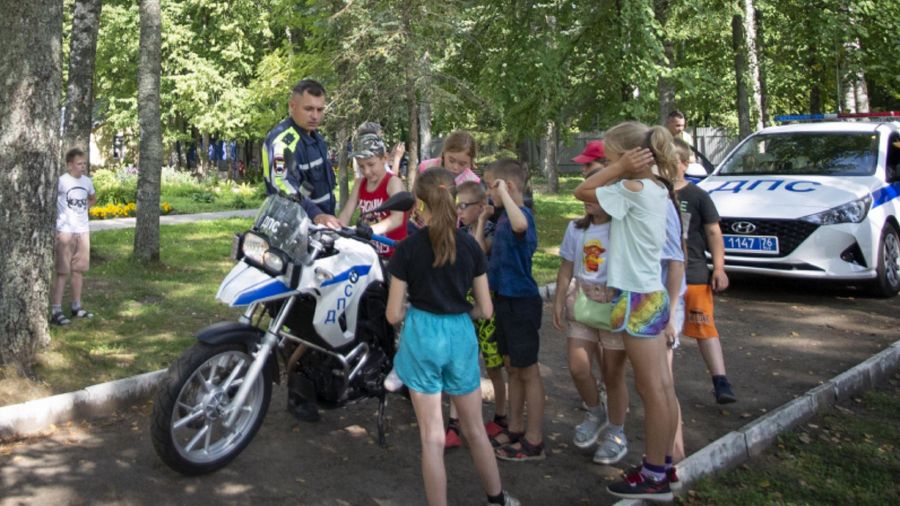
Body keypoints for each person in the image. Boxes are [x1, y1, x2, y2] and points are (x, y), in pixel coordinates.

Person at [386, 167, 520, 506]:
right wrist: (465, 313)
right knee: (475, 430)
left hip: (421, 336)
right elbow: (486, 310)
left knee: (431, 438)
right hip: (459, 336)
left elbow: (392, 314)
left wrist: (409, 312)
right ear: (455, 201)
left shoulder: (407, 249)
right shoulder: (472, 248)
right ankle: (496, 499)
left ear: (418, 204)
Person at [574, 122, 680, 501]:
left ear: (630, 158)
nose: (606, 164)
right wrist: (621, 166)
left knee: (652, 389)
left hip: (638, 297)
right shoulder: (653, 187)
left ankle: (654, 474)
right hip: (647, 294)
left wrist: (619, 169)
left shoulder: (633, 187)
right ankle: (662, 465)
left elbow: (582, 190)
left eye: (609, 157)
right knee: (661, 387)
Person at [482, 159, 546, 463]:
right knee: (513, 367)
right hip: (503, 301)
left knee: (528, 370)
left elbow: (520, 225)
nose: (487, 193)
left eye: (490, 186)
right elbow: (483, 247)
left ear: (506, 187)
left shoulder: (523, 217)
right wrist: (484, 216)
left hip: (521, 302)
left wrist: (504, 196)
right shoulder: (504, 220)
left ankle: (535, 440)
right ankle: (516, 428)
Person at [443, 181, 507, 450]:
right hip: (464, 303)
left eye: (463, 206)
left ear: (481, 208)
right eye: (456, 205)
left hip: (486, 303)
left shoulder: (489, 230)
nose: (458, 211)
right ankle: (454, 424)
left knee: (492, 364)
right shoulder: (458, 230)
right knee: (461, 361)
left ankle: (501, 415)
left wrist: (480, 222)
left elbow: (478, 253)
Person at [673, 138, 737, 404]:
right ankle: (663, 383)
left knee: (704, 327)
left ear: (684, 163)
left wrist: (719, 268)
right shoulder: (655, 193)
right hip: (664, 276)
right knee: (664, 332)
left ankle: (720, 380)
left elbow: (713, 232)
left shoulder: (698, 195)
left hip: (695, 273)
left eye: (670, 160)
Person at [552, 174, 612, 451]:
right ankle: (594, 411)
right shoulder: (576, 229)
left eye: (596, 195)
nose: (588, 199)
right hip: (582, 305)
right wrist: (558, 301)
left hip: (614, 307)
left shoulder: (621, 229)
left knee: (612, 374)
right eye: (586, 193)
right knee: (578, 367)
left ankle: (616, 428)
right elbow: (566, 268)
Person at [261, 78, 341, 228]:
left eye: (320, 109)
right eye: (309, 109)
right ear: (292, 106)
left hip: (319, 228)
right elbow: (281, 184)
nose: (315, 116)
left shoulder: (317, 139)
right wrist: (316, 214)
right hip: (292, 229)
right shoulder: (282, 142)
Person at [338, 133, 408, 257]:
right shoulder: (360, 184)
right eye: (361, 166)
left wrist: (369, 231)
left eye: (371, 164)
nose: (366, 171)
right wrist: (337, 230)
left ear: (384, 158)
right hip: (370, 254)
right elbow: (346, 213)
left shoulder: (392, 183)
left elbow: (397, 218)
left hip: (394, 254)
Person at [51, 148, 97, 326]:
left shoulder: (87, 181)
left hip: (82, 231)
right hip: (65, 232)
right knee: (63, 272)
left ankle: (76, 307)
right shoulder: (62, 182)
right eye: (79, 164)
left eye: (84, 163)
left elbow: (92, 198)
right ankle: (56, 310)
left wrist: (85, 208)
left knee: (78, 270)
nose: (83, 167)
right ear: (70, 165)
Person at [410, 130, 480, 191]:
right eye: (451, 161)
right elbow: (414, 197)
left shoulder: (472, 183)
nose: (455, 167)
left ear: (471, 163)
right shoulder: (426, 168)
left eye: (462, 164)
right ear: (444, 153)